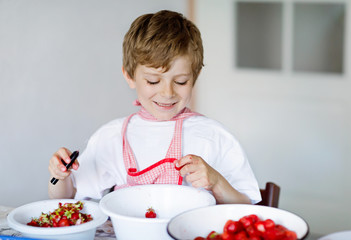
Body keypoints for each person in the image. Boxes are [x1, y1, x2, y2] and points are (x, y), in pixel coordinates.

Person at [48, 10, 261, 204]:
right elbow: (67, 198)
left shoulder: (214, 137)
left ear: (195, 78)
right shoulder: (112, 138)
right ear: (130, 76)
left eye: (181, 82)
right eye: (153, 81)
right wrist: (58, 176)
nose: (167, 93)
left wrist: (216, 182)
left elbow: (247, 206)